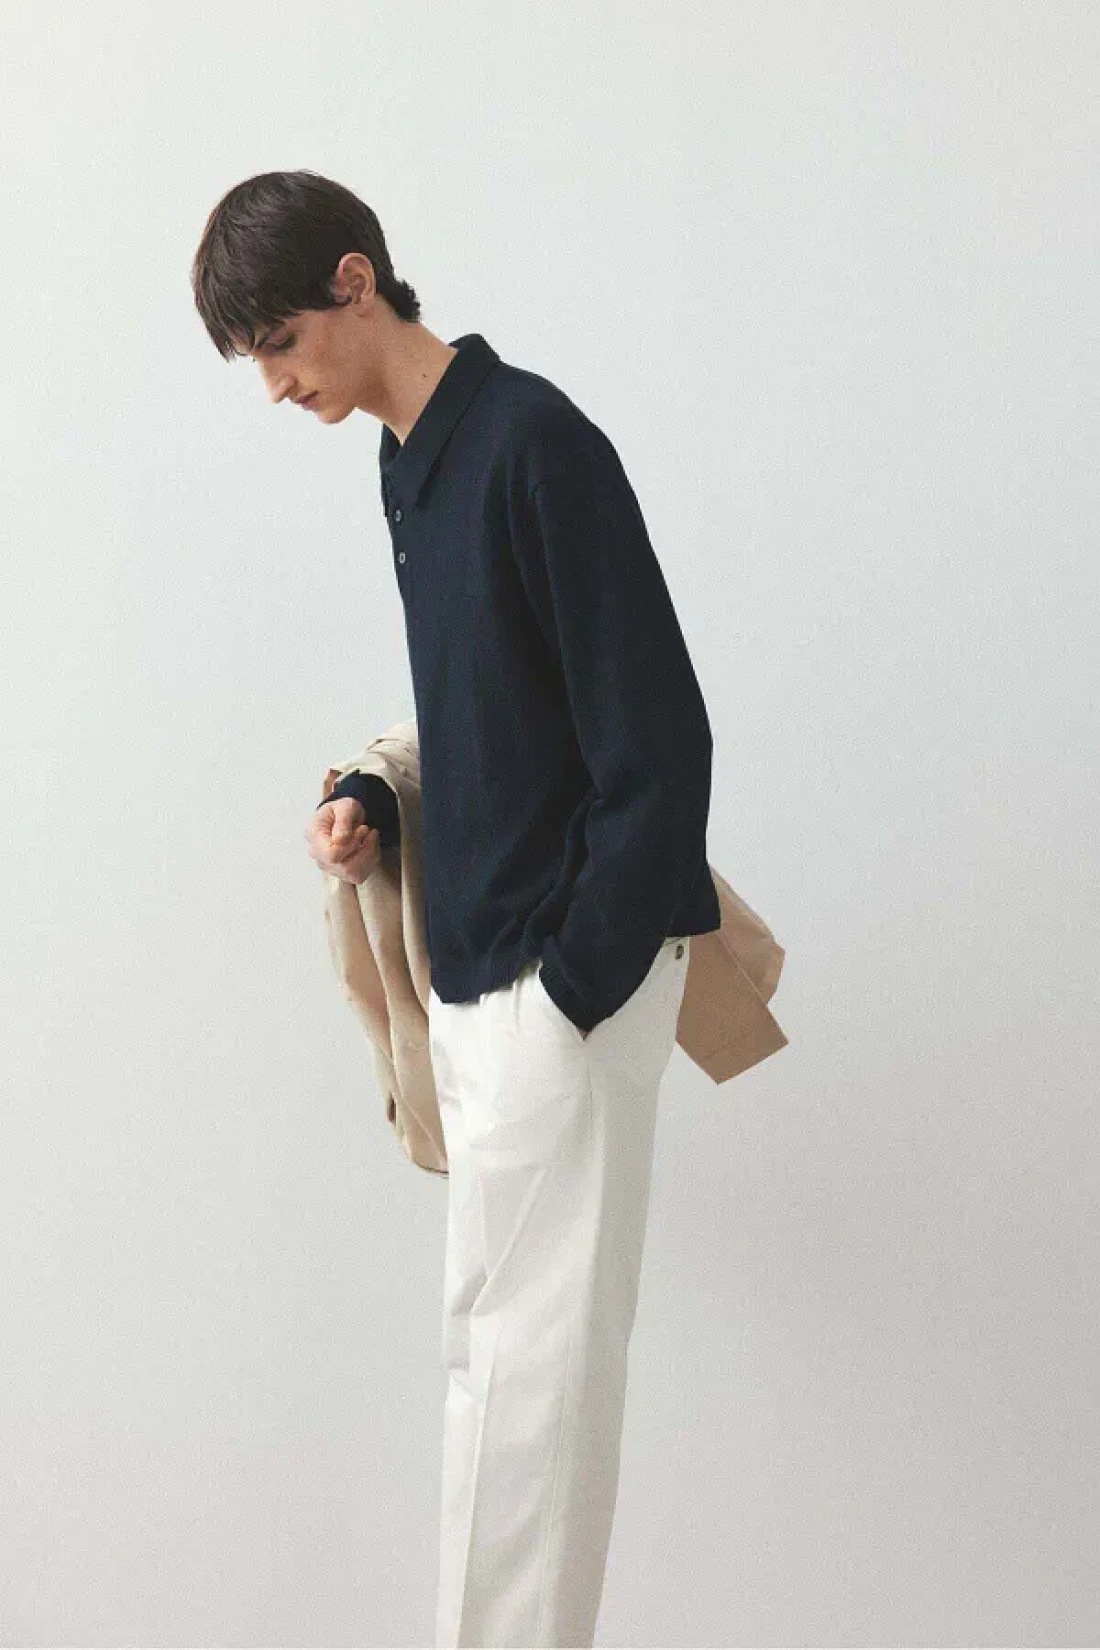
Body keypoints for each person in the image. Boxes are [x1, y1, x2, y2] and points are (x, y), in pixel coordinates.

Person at [192, 168, 722, 1648]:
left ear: (357, 281)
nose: (276, 385)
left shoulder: (535, 444)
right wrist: (378, 790)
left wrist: (572, 991)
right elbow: (495, 709)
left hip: (560, 988)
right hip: (476, 981)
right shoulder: (409, 461)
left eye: (282, 342)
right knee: (490, 1384)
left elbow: (659, 747)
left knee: (539, 1405)